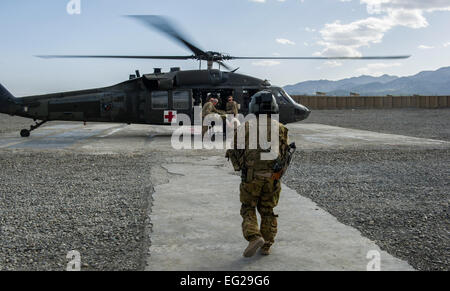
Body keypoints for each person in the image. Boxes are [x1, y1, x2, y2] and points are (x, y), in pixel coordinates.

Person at [226, 91, 291, 257]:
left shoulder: (246, 127)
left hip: (251, 177)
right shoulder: (281, 128)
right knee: (268, 210)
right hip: (273, 178)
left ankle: (254, 236)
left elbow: (235, 151)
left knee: (248, 208)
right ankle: (267, 245)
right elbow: (285, 155)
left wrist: (241, 167)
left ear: (254, 107)